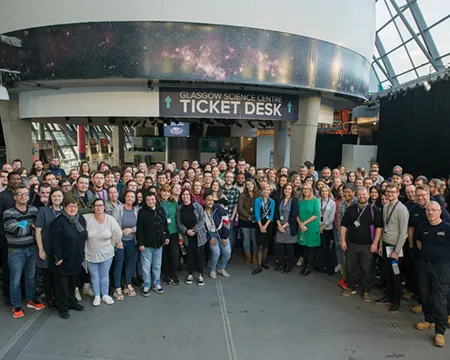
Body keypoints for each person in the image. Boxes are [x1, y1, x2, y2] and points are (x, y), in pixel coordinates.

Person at [4, 185, 43, 318]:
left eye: (26, 194)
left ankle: (31, 300)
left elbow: (39, 227)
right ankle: (16, 306)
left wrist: (26, 226)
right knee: (15, 280)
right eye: (19, 194)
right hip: (16, 251)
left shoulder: (33, 209)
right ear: (15, 197)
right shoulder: (8, 213)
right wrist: (31, 229)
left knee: (30, 277)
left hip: (32, 249)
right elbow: (14, 230)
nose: (23, 196)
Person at [414, 201, 450, 348]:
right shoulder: (422, 227)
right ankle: (429, 320)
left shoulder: (447, 228)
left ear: (440, 211)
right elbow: (419, 243)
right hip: (424, 266)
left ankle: (440, 332)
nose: (430, 213)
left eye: (434, 210)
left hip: (441, 268)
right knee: (424, 294)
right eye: (428, 210)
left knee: (439, 298)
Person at [340, 187, 383, 302]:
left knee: (366, 269)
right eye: (359, 195)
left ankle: (366, 291)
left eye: (364, 194)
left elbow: (379, 228)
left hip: (367, 246)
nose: (362, 196)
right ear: (356, 195)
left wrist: (375, 243)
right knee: (351, 267)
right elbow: (344, 225)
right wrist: (342, 240)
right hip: (352, 244)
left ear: (368, 195)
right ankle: (351, 287)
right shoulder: (351, 209)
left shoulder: (374, 210)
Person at [50, 195, 87, 319]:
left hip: (76, 257)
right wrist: (58, 257)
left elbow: (83, 237)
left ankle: (72, 302)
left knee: (73, 283)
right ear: (64, 207)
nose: (73, 208)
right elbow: (54, 241)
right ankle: (63, 307)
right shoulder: (58, 221)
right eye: (70, 206)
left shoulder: (80, 219)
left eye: (75, 205)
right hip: (63, 259)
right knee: (62, 285)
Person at [375, 184, 409, 314]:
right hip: (386, 245)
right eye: (388, 192)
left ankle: (396, 301)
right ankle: (388, 296)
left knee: (396, 275)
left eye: (392, 192)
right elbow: (384, 227)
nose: (390, 194)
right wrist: (380, 245)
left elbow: (403, 233)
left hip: (396, 248)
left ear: (398, 192)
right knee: (387, 273)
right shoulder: (385, 207)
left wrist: (397, 250)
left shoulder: (402, 210)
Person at [83, 198, 122, 306]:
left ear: (104, 207)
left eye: (101, 205)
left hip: (106, 253)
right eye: (96, 205)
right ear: (93, 207)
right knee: (94, 276)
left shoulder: (110, 219)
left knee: (104, 275)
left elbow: (118, 233)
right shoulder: (87, 218)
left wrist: (114, 243)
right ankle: (97, 296)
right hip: (91, 253)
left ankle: (105, 295)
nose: (99, 207)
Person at [35, 188, 64, 309]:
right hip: (47, 247)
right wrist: (41, 249)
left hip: (61, 248)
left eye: (59, 196)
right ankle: (49, 299)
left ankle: (60, 298)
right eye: (54, 196)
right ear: (50, 198)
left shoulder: (65, 210)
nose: (57, 198)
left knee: (60, 275)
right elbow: (38, 231)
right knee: (47, 274)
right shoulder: (43, 211)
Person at [136, 192, 169, 296]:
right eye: (148, 200)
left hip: (159, 243)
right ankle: (146, 284)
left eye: (152, 199)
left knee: (157, 265)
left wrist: (166, 237)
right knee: (146, 266)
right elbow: (139, 229)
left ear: (155, 200)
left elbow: (165, 225)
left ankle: (156, 283)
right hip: (146, 244)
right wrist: (140, 243)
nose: (151, 201)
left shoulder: (161, 210)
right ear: (145, 201)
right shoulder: (142, 212)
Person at [0, 171, 22, 306]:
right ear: (8, 181)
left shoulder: (24, 194)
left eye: (18, 179)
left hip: (23, 236)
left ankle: (22, 293)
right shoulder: (3, 196)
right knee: (8, 266)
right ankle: (7, 295)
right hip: (6, 237)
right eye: (13, 179)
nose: (16, 181)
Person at [112, 190, 139, 299]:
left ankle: (128, 284)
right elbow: (113, 225)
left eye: (132, 197)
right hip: (120, 242)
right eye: (128, 196)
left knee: (129, 263)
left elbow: (139, 225)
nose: (130, 199)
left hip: (131, 241)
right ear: (125, 197)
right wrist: (118, 241)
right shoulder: (118, 209)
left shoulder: (136, 210)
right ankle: (118, 287)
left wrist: (132, 230)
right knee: (119, 264)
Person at [176, 188, 207, 286]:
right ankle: (190, 273)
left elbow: (202, 220)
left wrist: (194, 230)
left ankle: (201, 274)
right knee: (189, 256)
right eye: (183, 195)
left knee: (199, 256)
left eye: (187, 194)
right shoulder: (179, 208)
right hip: (187, 236)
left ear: (191, 196)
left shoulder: (197, 207)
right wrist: (186, 231)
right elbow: (179, 222)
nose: (185, 196)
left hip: (198, 235)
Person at [204, 193, 231, 279]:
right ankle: (212, 270)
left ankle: (221, 268)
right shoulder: (201, 211)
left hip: (221, 233)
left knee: (227, 252)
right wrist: (209, 238)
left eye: (212, 200)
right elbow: (201, 228)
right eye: (208, 200)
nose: (210, 202)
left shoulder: (218, 208)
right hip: (210, 235)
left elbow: (226, 222)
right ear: (204, 201)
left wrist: (225, 237)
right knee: (216, 252)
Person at [274, 183, 299, 274]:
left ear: (292, 190)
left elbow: (293, 216)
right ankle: (281, 264)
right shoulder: (279, 200)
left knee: (289, 248)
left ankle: (289, 265)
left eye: (289, 189)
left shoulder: (294, 201)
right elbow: (276, 213)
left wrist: (283, 226)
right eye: (285, 189)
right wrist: (279, 225)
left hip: (289, 227)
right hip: (279, 225)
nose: (287, 191)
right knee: (280, 247)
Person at [158, 184, 181, 285]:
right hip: (163, 232)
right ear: (160, 192)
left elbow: (177, 218)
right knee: (165, 255)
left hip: (174, 231)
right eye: (164, 191)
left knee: (174, 254)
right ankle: (166, 275)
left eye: (168, 191)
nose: (166, 193)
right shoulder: (158, 203)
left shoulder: (174, 203)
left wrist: (180, 233)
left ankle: (173, 274)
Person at [297, 183, 320, 276]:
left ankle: (308, 267)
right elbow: (296, 214)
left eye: (308, 189)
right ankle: (305, 264)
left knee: (310, 247)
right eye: (304, 189)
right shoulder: (300, 200)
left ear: (311, 190)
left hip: (311, 226)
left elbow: (316, 214)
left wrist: (304, 223)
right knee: (304, 247)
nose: (306, 191)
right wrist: (300, 224)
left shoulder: (315, 200)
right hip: (302, 226)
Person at [253, 184, 275, 275]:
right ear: (262, 191)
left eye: (268, 189)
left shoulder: (272, 201)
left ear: (270, 191)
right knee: (260, 246)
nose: (266, 191)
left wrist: (265, 225)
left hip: (268, 224)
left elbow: (272, 214)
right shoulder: (258, 200)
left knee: (266, 245)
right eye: (264, 190)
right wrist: (261, 226)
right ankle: (258, 266)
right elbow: (256, 213)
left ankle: (263, 262)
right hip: (259, 224)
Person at [239, 179, 258, 265]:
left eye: (251, 184)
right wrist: (249, 217)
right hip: (245, 220)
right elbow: (240, 208)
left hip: (256, 220)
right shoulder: (242, 195)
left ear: (254, 185)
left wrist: (255, 217)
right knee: (246, 239)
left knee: (255, 239)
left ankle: (255, 256)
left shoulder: (258, 194)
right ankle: (248, 256)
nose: (250, 186)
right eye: (248, 184)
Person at [318, 185, 336, 275]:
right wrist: (319, 227)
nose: (324, 193)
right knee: (320, 248)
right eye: (323, 191)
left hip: (328, 228)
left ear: (328, 192)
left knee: (327, 248)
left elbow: (331, 217)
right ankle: (321, 265)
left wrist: (323, 226)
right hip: (318, 227)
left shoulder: (332, 203)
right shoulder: (317, 201)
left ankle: (329, 267)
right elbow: (316, 214)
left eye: (326, 191)